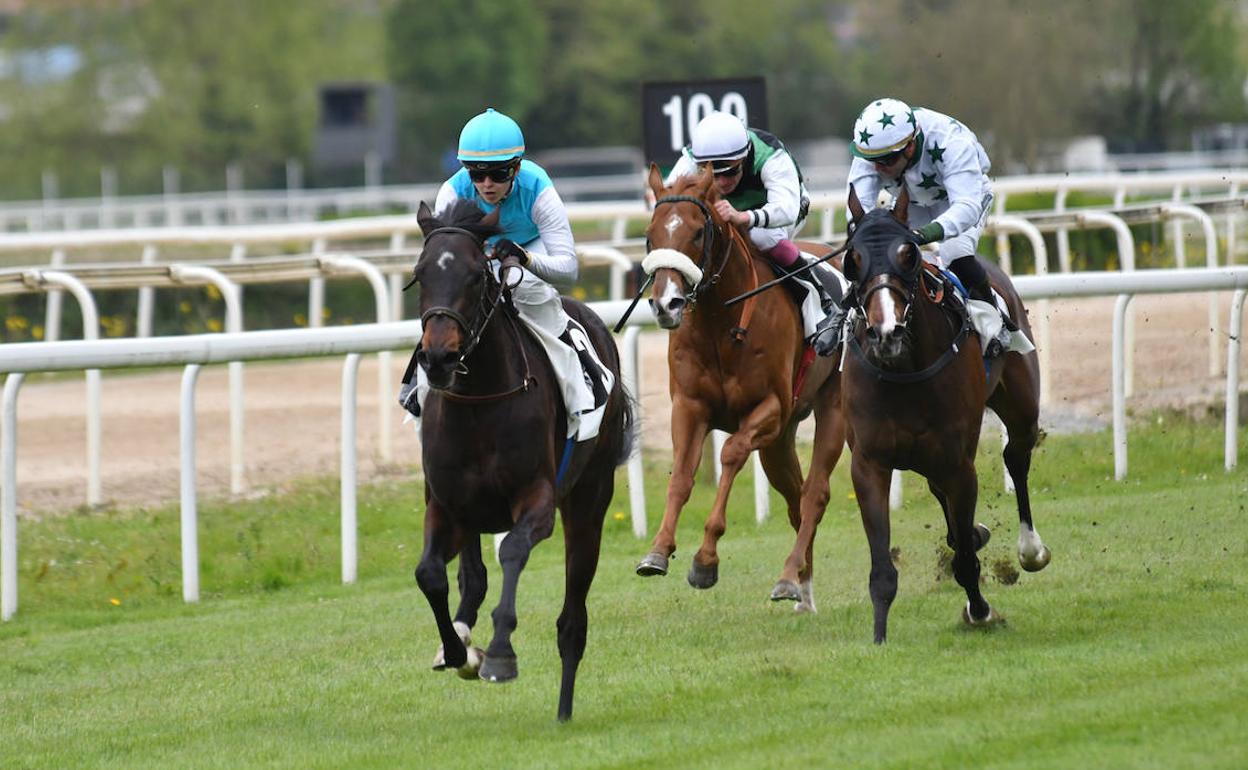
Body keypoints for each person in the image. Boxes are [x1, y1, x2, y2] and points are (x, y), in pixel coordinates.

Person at [404, 107, 610, 441]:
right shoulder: (452, 192)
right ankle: (421, 397)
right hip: (479, 255)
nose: (487, 184)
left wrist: (525, 258)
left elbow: (568, 271)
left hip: (532, 250)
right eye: (477, 174)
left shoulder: (538, 189)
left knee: (528, 290)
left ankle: (582, 393)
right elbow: (450, 260)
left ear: (516, 167)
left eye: (498, 174)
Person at [664, 111, 843, 355]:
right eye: (714, 174)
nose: (723, 182)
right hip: (726, 210)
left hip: (780, 209)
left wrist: (745, 217)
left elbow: (786, 210)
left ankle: (822, 301)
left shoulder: (770, 156)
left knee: (763, 238)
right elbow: (670, 198)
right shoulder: (692, 158)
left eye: (730, 172)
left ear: (745, 157)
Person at [845, 97, 1017, 343]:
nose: (876, 169)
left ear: (910, 147)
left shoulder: (952, 141)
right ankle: (845, 321)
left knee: (955, 253)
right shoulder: (872, 150)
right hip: (911, 204)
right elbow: (857, 211)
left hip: (960, 198)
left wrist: (925, 234)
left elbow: (966, 207)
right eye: (871, 161)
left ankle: (997, 325)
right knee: (880, 260)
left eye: (885, 162)